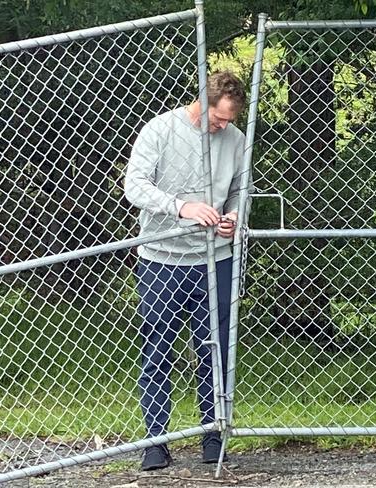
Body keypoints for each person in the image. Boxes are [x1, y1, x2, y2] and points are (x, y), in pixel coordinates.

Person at [124, 71, 247, 471]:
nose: (223, 126)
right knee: (157, 351)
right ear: (202, 101)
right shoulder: (160, 130)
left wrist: (232, 218)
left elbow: (239, 194)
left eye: (229, 120)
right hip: (161, 258)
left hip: (217, 259)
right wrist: (182, 206)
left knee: (215, 351)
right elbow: (135, 186)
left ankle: (214, 437)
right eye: (219, 118)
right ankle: (156, 442)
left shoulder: (235, 139)